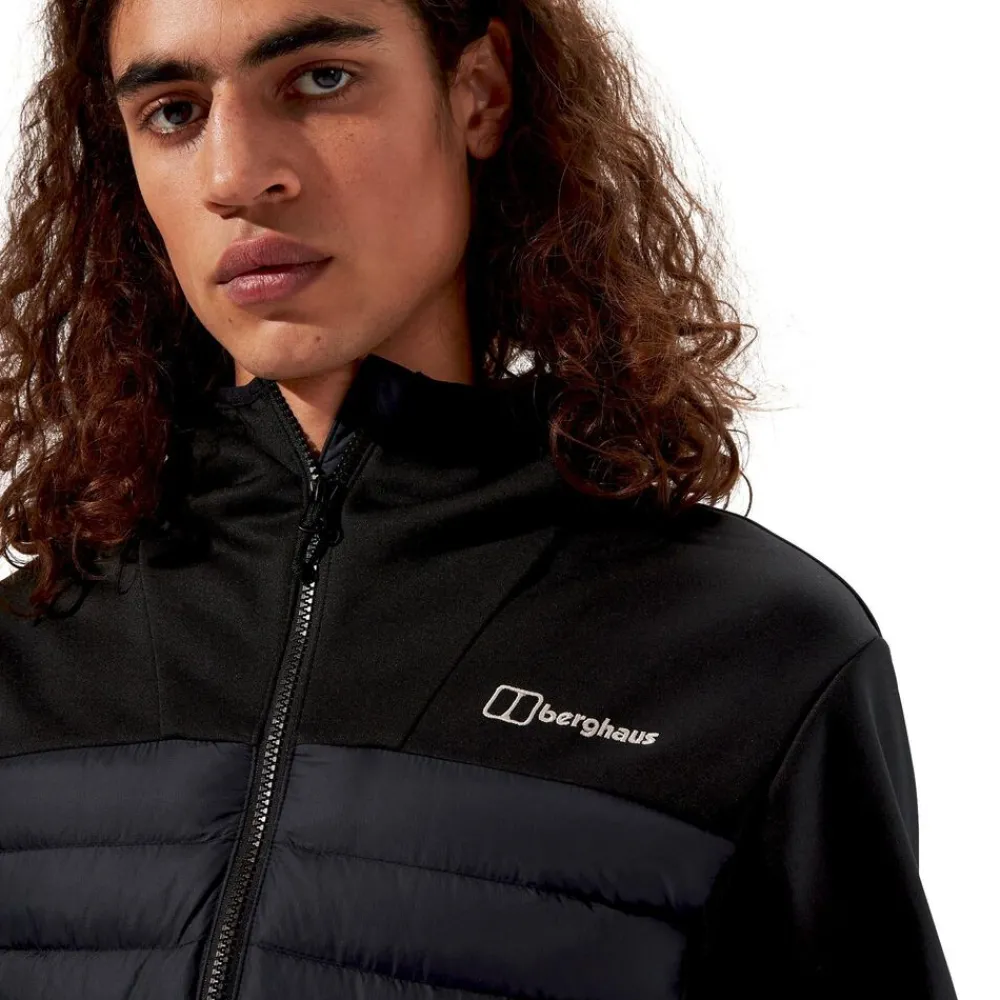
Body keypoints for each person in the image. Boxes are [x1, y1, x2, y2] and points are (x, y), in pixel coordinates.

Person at [0, 0, 958, 998]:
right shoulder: (27, 659)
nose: (236, 175)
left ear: (479, 94)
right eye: (174, 111)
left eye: (320, 79)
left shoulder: (744, 657)